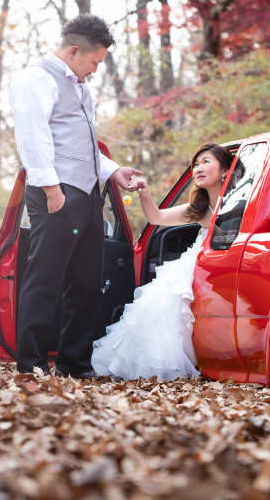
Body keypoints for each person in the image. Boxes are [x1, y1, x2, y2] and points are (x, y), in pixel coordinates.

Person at [8, 14, 143, 379]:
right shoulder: (35, 79)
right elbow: (33, 138)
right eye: (94, 62)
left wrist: (114, 171)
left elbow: (82, 145)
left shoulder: (83, 88)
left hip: (88, 196)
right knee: (45, 280)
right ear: (73, 51)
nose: (95, 70)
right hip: (57, 194)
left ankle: (75, 365)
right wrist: (52, 191)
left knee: (85, 285)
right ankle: (31, 366)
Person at [91, 143, 235, 381]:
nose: (198, 168)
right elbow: (156, 217)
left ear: (224, 171)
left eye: (206, 162)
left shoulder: (241, 202)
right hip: (198, 264)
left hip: (226, 264)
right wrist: (144, 192)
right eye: (195, 164)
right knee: (166, 305)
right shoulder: (198, 209)